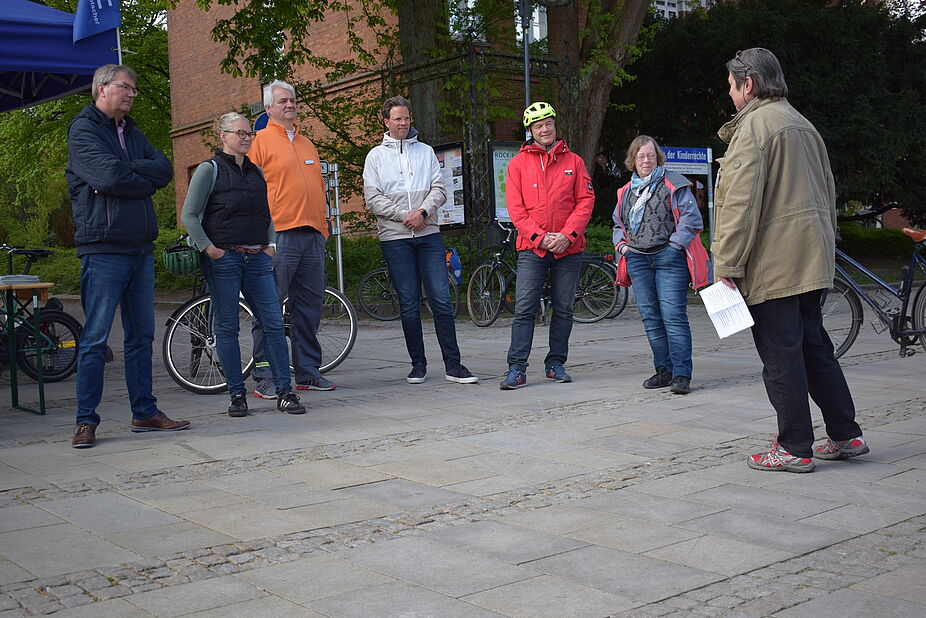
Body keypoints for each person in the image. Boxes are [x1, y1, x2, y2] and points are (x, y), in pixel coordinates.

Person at [714, 48, 867, 473]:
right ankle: (845, 433)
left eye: (731, 85)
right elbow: (828, 191)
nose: (729, 94)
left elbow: (740, 205)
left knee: (782, 355)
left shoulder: (755, 128)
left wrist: (726, 265)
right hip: (810, 256)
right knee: (815, 348)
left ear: (749, 84)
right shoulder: (802, 123)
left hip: (773, 261)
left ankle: (795, 446)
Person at [66, 64, 189, 448]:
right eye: (125, 87)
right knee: (96, 338)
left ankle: (145, 412)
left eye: (134, 88)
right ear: (102, 88)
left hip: (139, 247)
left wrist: (129, 172)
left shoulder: (132, 132)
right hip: (102, 247)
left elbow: (163, 170)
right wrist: (136, 178)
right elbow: (107, 178)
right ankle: (86, 421)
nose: (132, 94)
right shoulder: (83, 129)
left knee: (141, 336)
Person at [181, 113, 305, 416]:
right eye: (241, 133)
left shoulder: (256, 172)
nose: (247, 138)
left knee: (273, 323)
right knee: (227, 327)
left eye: (250, 133)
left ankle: (284, 392)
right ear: (223, 136)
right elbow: (190, 215)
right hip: (225, 258)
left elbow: (268, 211)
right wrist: (210, 249)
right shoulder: (209, 170)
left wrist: (271, 244)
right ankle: (237, 394)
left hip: (258, 258)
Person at [362, 96, 478, 385]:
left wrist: (423, 212)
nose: (403, 123)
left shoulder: (426, 152)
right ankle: (418, 365)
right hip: (395, 238)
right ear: (386, 121)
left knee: (441, 299)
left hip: (428, 235)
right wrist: (406, 215)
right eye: (397, 118)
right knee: (409, 302)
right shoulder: (375, 156)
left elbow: (440, 188)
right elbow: (373, 198)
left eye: (407, 118)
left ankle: (454, 365)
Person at [248, 80, 335, 398]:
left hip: (312, 235)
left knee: (309, 307)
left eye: (293, 100)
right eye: (283, 101)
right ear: (268, 107)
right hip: (278, 237)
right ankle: (266, 374)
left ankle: (308, 371)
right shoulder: (258, 142)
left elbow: (318, 188)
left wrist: (323, 228)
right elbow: (249, 191)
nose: (290, 105)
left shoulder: (308, 143)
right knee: (268, 308)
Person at [500, 102, 594, 390]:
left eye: (549, 123)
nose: (545, 128)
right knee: (524, 309)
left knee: (564, 308)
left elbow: (585, 200)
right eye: (538, 125)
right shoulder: (517, 164)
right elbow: (516, 210)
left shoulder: (574, 162)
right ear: (530, 130)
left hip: (569, 248)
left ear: (555, 125)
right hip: (532, 249)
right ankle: (517, 368)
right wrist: (541, 238)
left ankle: (556, 363)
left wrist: (568, 235)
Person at [612, 135, 710, 395]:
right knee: (651, 318)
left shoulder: (673, 184)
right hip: (637, 259)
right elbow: (617, 225)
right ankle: (663, 370)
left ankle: (681, 374)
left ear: (658, 158)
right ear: (633, 160)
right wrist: (622, 247)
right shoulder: (626, 191)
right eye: (641, 156)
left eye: (651, 155)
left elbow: (691, 219)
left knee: (673, 316)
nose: (646, 160)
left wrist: (674, 245)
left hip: (668, 259)